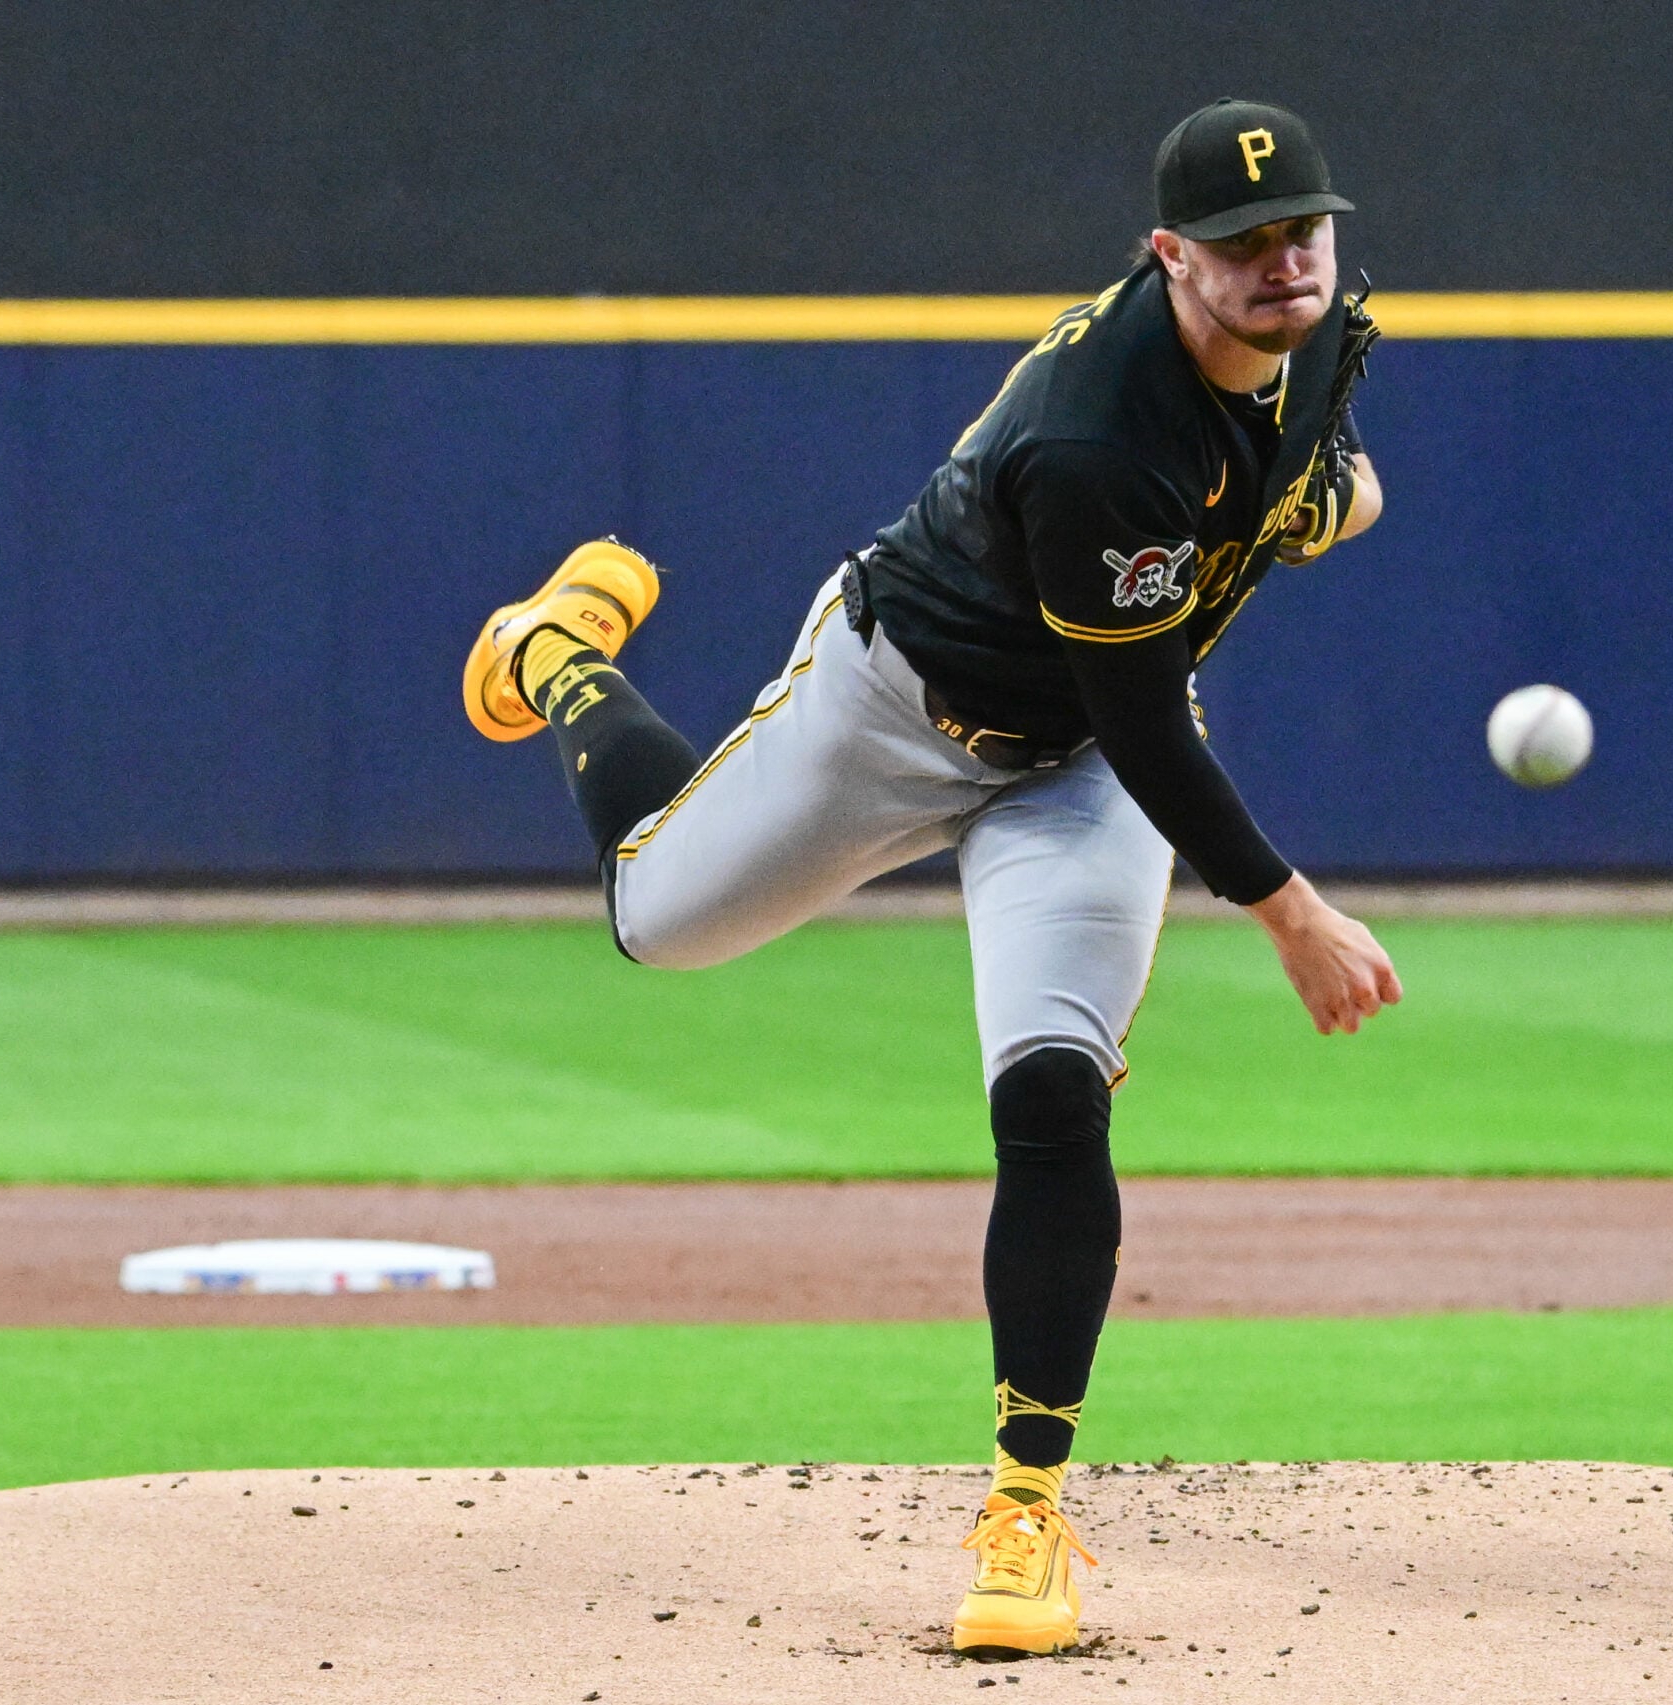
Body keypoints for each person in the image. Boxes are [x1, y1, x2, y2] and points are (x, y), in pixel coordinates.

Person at [458, 96, 1401, 1659]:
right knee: (654, 916)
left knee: (1049, 1093)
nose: (1281, 262)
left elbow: (1310, 464)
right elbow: (1141, 715)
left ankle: (1025, 1512)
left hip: (1076, 774)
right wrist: (1287, 908)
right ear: (1167, 257)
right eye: (1238, 244)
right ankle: (554, 654)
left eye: (1301, 229)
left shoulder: (1312, 324)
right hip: (900, 705)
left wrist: (1319, 495)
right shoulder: (1103, 437)